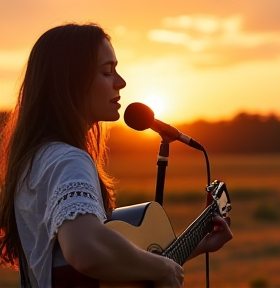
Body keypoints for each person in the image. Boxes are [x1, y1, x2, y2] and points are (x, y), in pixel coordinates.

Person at [0, 22, 233, 288]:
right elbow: (85, 250)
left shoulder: (37, 160)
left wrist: (193, 246)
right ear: (70, 80)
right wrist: (160, 266)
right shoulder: (68, 160)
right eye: (107, 71)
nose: (121, 82)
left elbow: (83, 273)